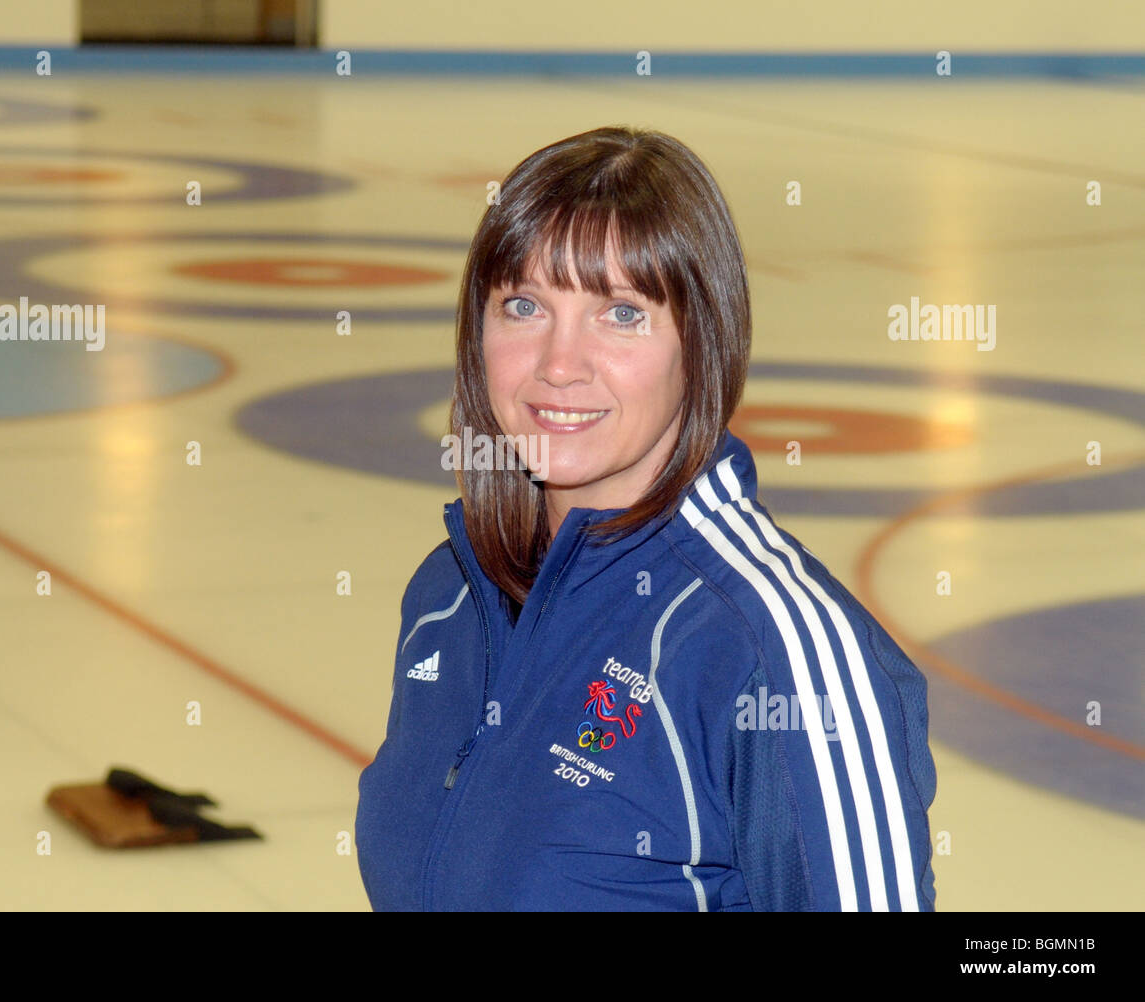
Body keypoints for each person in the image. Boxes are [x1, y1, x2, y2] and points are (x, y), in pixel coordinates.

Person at [355, 125, 937, 911]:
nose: (559, 366)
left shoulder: (767, 649)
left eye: (622, 314)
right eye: (523, 305)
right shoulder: (451, 595)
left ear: (704, 343)